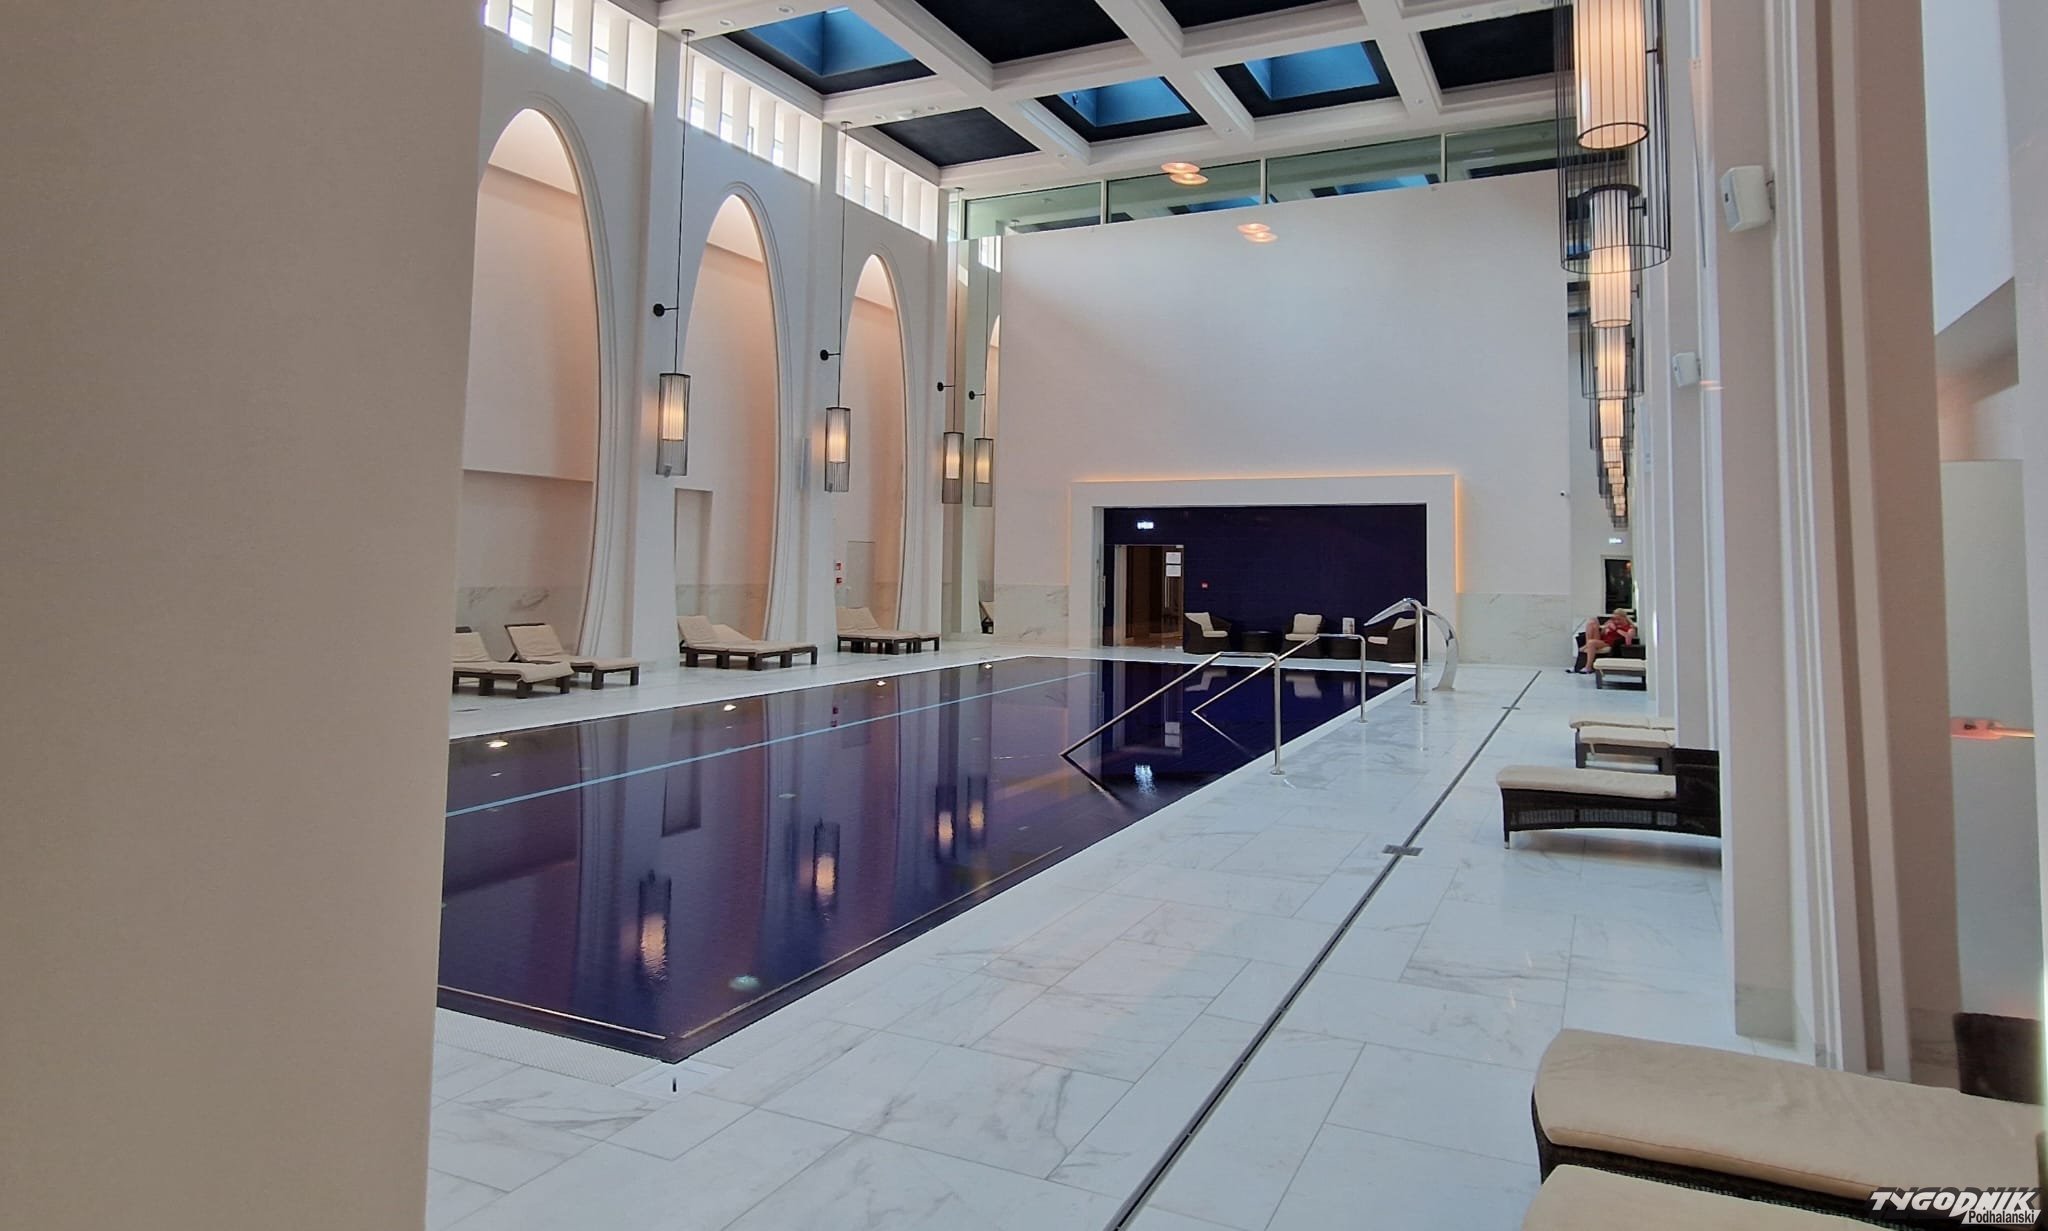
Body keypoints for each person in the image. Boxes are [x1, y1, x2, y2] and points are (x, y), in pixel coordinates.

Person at [1573, 608, 1636, 673]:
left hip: (1609, 643)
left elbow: (1628, 641)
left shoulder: (1630, 628)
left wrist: (1616, 629)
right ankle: (1587, 645)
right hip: (1602, 639)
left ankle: (1588, 667)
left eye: (1619, 619)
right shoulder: (1613, 623)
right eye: (1614, 619)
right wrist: (1606, 627)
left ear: (1624, 618)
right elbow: (1602, 634)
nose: (1616, 621)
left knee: (1591, 643)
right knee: (1592, 622)